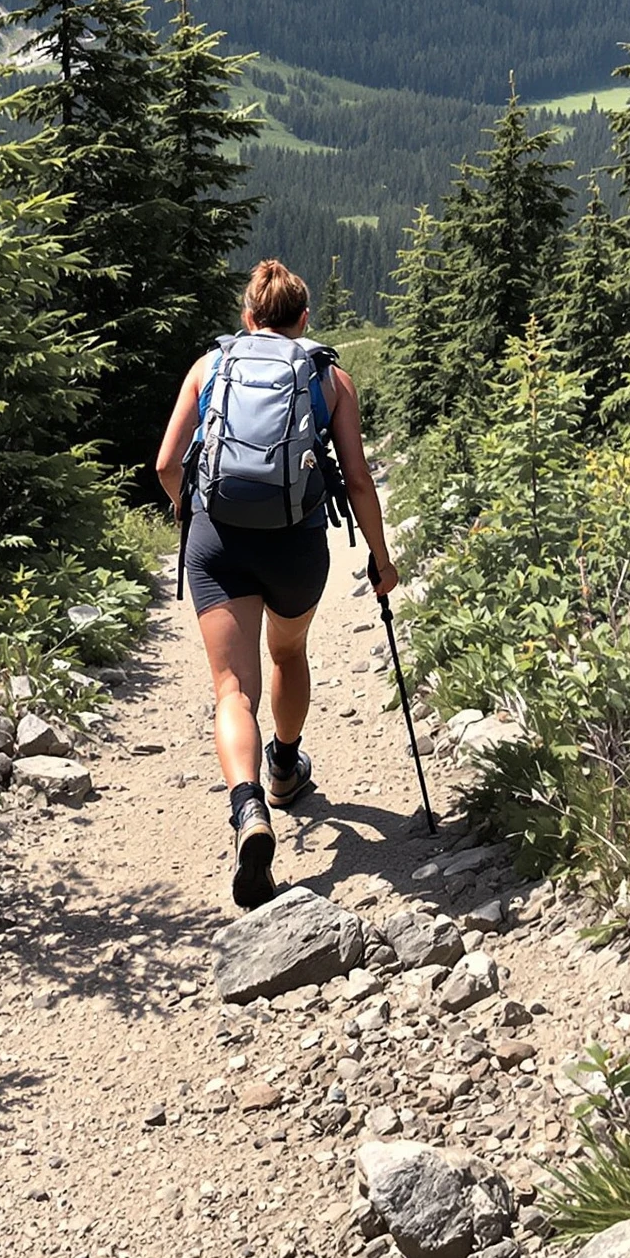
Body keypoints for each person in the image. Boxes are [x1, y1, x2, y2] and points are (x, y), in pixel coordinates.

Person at [156, 259, 398, 910]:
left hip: (218, 543)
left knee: (233, 690)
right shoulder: (329, 375)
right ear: (303, 320)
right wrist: (380, 557)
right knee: (287, 652)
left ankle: (248, 811)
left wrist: (195, 514)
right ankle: (285, 768)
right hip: (294, 546)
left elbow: (165, 464)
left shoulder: (209, 368)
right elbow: (355, 481)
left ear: (248, 317)